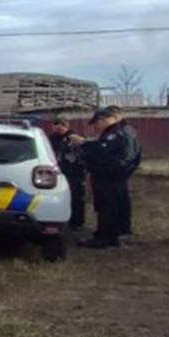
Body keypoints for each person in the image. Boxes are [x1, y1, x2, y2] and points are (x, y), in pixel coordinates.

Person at [79, 106, 142, 248]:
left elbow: (102, 154)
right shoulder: (127, 131)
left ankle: (105, 238)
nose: (96, 126)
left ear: (106, 118)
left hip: (108, 176)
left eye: (97, 122)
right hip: (116, 176)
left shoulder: (115, 134)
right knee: (114, 206)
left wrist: (85, 146)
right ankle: (113, 235)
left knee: (107, 207)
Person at [47, 116, 87, 230]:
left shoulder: (75, 138)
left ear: (67, 126)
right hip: (57, 172)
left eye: (62, 125)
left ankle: (76, 222)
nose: (59, 127)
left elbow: (82, 154)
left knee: (76, 197)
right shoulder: (50, 138)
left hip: (74, 173)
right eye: (56, 124)